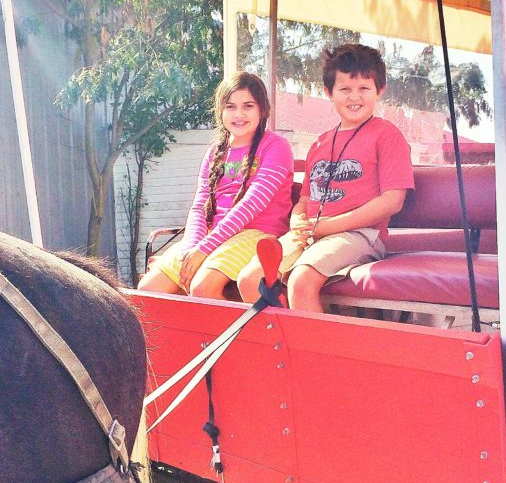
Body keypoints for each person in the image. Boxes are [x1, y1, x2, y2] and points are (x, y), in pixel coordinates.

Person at [237, 44, 413, 311]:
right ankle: (284, 345)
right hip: (312, 233)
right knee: (249, 280)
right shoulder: (320, 143)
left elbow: (392, 201)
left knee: (301, 280)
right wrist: (298, 220)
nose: (355, 97)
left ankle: (308, 351)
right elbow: (306, 197)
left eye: (364, 88)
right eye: (345, 89)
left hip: (359, 234)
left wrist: (327, 227)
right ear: (329, 93)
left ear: (380, 91)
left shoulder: (387, 135)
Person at [138, 72, 294, 299]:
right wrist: (190, 248)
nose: (238, 114)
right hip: (215, 235)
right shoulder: (214, 152)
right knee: (149, 291)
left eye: (248, 106)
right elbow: (200, 204)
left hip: (257, 234)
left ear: (262, 109)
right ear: (220, 111)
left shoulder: (276, 147)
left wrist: (204, 249)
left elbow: (251, 204)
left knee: (202, 287)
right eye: (230, 106)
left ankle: (233, 336)